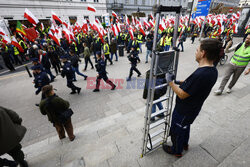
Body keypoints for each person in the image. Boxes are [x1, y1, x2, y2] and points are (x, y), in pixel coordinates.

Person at [163, 39, 221, 157]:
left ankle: (176, 150)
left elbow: (182, 94)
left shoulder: (201, 74)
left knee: (177, 130)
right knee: (185, 127)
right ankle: (184, 144)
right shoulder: (212, 70)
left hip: (184, 111)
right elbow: (192, 84)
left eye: (197, 50)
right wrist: (177, 81)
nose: (195, 53)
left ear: (203, 53)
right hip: (193, 109)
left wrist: (170, 82)